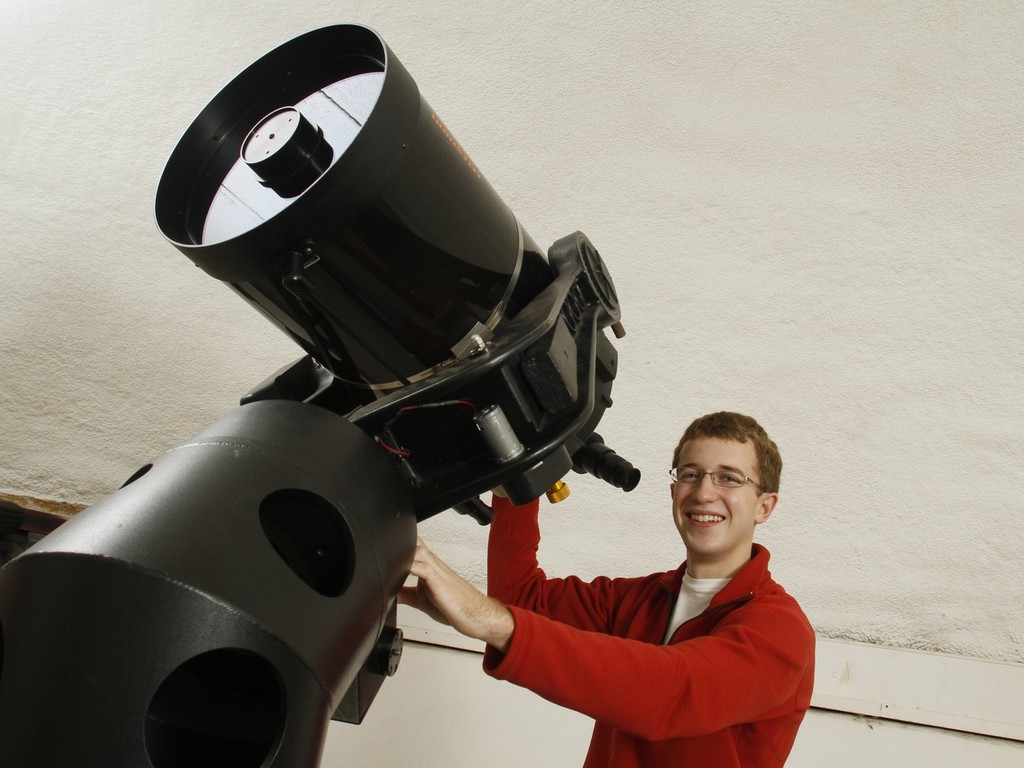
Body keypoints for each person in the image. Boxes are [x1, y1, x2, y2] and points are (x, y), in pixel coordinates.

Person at [399, 411, 815, 767]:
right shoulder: (639, 600)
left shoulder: (780, 631)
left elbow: (667, 693)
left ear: (764, 506)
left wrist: (488, 619)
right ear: (674, 492)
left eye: (729, 479)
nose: (704, 492)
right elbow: (518, 600)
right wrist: (515, 476)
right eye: (691, 475)